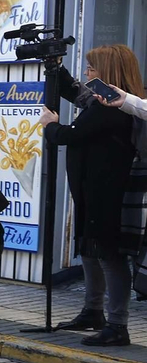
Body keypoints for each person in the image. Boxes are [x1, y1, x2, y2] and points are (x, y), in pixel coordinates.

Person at [41, 44, 143, 346]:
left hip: (107, 194)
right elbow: (77, 94)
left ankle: (117, 324)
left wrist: (51, 125)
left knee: (109, 255)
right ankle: (93, 311)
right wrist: (57, 69)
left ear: (108, 73)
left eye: (92, 69)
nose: (87, 74)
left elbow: (71, 134)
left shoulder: (113, 110)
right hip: (91, 190)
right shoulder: (102, 102)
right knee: (88, 248)